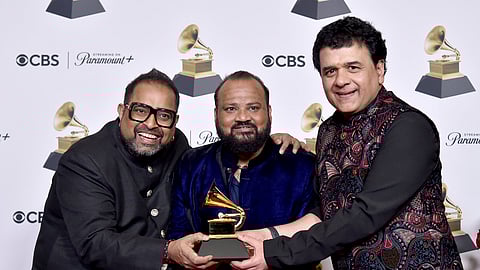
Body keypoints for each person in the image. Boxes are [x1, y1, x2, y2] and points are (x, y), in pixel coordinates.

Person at [232, 16, 463, 270]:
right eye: (330, 71)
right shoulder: (328, 131)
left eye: (353, 67)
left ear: (379, 69)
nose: (340, 81)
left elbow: (364, 215)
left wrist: (275, 253)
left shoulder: (408, 127)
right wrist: (267, 236)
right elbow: (327, 213)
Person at [32, 69, 301, 270]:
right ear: (121, 111)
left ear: (174, 123)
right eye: (140, 111)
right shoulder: (84, 160)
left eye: (163, 115)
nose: (151, 124)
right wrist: (168, 251)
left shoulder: (178, 143)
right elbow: (95, 243)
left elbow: (218, 156)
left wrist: (267, 140)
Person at [166, 71, 316, 269]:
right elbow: (178, 232)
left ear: (269, 112)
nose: (243, 117)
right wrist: (189, 256)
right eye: (230, 109)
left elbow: (313, 243)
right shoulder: (191, 163)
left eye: (253, 108)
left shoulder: (303, 166)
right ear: (215, 115)